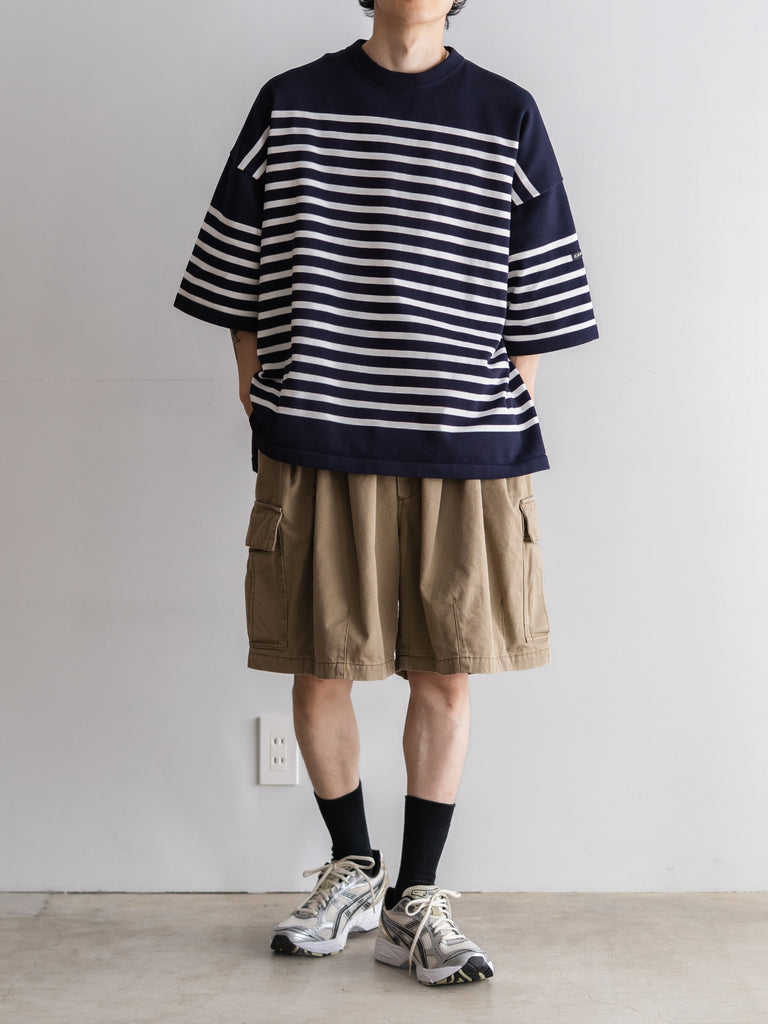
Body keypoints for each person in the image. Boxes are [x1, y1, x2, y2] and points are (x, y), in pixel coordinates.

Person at [173, 0, 598, 987]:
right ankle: (352, 870)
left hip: (464, 450)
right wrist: (261, 389)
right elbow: (234, 267)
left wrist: (489, 405)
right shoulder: (293, 104)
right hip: (320, 436)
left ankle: (417, 900)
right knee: (320, 666)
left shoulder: (506, 113)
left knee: (446, 673)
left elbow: (539, 292)